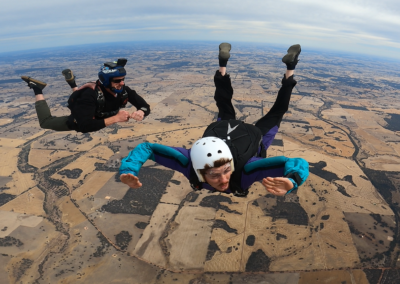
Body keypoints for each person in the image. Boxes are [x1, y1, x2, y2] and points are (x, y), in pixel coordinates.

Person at [119, 43, 309, 197]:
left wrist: (293, 179)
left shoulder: (243, 170)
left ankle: (287, 67)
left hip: (247, 135)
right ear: (200, 172)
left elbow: (147, 149)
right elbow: (294, 163)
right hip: (228, 129)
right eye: (214, 175)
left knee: (273, 112)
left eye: (227, 170)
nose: (225, 179)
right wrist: (293, 178)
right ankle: (226, 65)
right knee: (228, 106)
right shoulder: (193, 164)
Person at [21, 58, 150, 133]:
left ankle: (72, 83)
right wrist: (115, 118)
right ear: (106, 81)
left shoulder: (124, 90)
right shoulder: (89, 96)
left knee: (87, 100)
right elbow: (84, 126)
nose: (122, 83)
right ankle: (37, 89)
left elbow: (145, 106)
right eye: (117, 80)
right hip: (81, 114)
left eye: (123, 79)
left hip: (94, 107)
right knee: (45, 122)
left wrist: (141, 112)